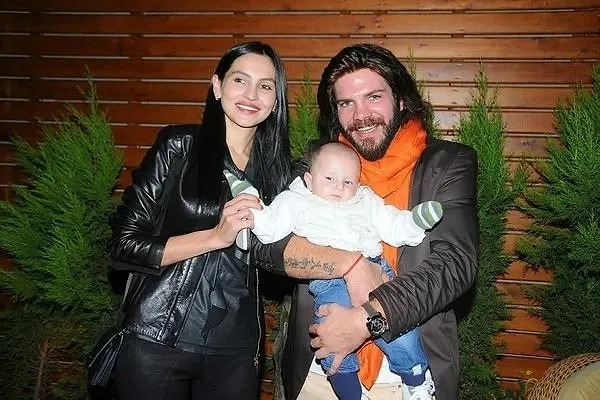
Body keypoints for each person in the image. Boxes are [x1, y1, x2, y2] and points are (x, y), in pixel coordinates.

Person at [272, 44, 479, 400]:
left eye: (373, 97)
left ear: (401, 99)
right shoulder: (320, 163)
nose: (361, 115)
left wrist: (365, 320)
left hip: (409, 378)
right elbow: (268, 245)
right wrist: (351, 265)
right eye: (346, 103)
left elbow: (454, 264)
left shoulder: (448, 163)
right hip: (322, 368)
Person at [105, 41, 293, 400]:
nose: (251, 95)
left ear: (275, 100)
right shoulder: (179, 146)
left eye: (265, 86)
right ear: (217, 86)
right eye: (240, 80)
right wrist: (215, 236)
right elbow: (122, 246)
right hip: (158, 338)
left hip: (237, 349)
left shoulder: (281, 173)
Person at [224, 140, 442, 399]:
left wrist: (414, 222)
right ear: (309, 179)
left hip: (374, 270)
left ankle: (416, 381)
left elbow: (391, 224)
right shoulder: (295, 200)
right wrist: (252, 208)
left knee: (398, 326)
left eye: (348, 181)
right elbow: (270, 226)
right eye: (329, 178)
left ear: (358, 184)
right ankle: (351, 395)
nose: (339, 187)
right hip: (328, 280)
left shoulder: (365, 201)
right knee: (330, 335)